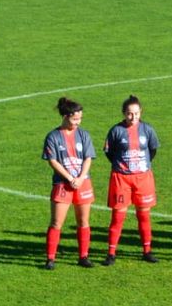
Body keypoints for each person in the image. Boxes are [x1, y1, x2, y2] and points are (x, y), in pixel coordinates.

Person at [102, 94, 161, 264]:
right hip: (121, 179)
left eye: (136, 113)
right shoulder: (116, 131)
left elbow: (153, 150)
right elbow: (109, 152)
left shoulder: (148, 130)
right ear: (123, 113)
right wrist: (122, 166)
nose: (133, 117)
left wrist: (141, 165)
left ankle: (147, 251)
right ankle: (111, 253)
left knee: (144, 216)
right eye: (129, 113)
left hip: (143, 179)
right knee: (118, 217)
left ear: (141, 112)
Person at [41, 97, 96, 269]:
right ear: (65, 116)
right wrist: (69, 178)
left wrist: (80, 178)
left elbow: (88, 158)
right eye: (75, 119)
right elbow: (53, 161)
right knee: (57, 222)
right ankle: (50, 259)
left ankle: (83, 256)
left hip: (83, 183)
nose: (78, 122)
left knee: (84, 221)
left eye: (80, 119)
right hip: (62, 184)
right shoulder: (53, 137)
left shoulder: (84, 135)